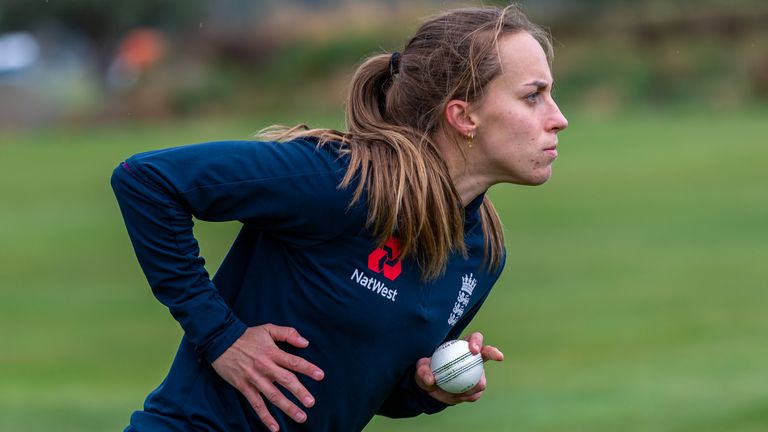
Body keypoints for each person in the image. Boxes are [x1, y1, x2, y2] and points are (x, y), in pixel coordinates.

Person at [111, 5, 568, 431]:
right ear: (463, 116)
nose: (559, 119)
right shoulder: (339, 179)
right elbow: (145, 179)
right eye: (533, 96)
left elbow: (375, 384)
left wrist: (427, 388)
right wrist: (221, 337)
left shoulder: (481, 252)